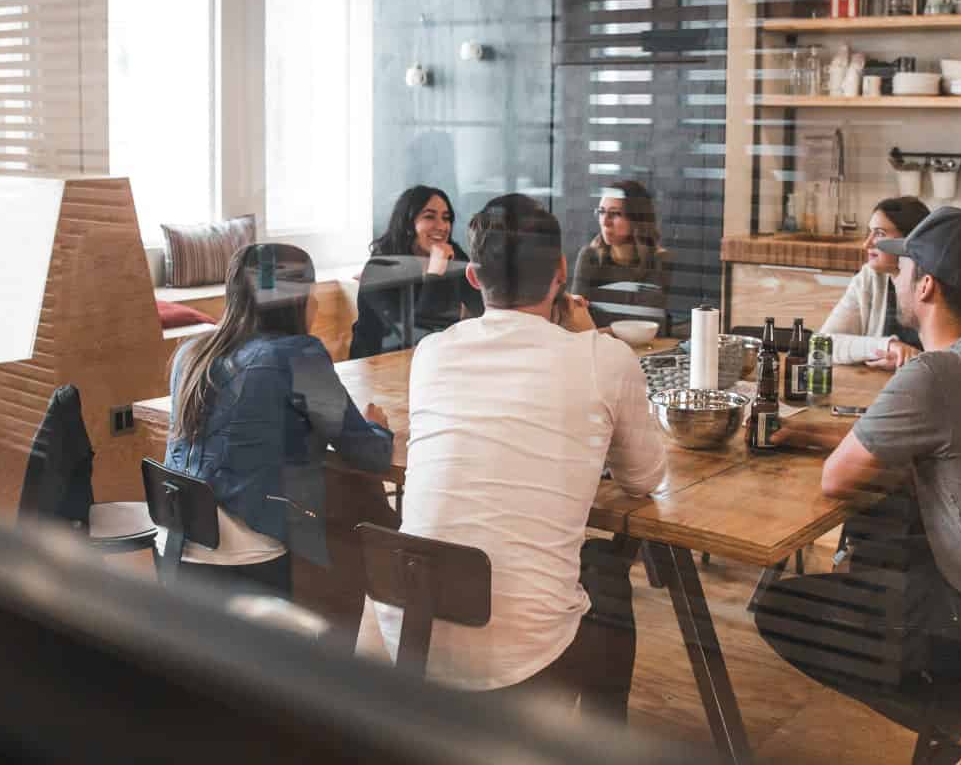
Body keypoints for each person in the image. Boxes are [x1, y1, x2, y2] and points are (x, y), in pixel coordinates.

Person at [757, 208, 961, 762]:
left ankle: (960, 718)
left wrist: (811, 441)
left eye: (907, 265)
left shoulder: (935, 375)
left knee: (781, 609)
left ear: (927, 285)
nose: (899, 275)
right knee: (889, 539)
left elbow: (837, 478)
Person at [374, 193, 666, 717]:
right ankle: (603, 744)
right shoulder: (603, 357)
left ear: (472, 276)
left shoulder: (433, 353)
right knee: (608, 578)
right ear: (560, 271)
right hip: (521, 655)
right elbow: (643, 479)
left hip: (409, 630)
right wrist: (588, 339)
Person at [163, 243, 394, 601]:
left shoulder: (189, 355)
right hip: (247, 554)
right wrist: (378, 426)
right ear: (298, 299)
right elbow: (370, 454)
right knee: (354, 517)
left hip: (178, 546)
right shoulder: (298, 356)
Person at [350, 186, 485, 358]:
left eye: (446, 218)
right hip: (378, 366)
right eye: (429, 217)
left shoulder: (452, 254)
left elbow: (483, 308)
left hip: (434, 360)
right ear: (407, 224)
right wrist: (436, 273)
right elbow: (417, 336)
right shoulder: (380, 268)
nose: (442, 226)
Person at [819, 196, 930, 367]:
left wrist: (911, 361)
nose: (866, 243)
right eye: (869, 232)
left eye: (879, 233)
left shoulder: (936, 284)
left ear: (909, 240)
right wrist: (887, 346)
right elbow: (823, 344)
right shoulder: (868, 278)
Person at [570, 180, 671, 330]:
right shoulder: (590, 257)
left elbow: (649, 327)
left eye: (615, 214)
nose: (605, 222)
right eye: (602, 212)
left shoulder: (659, 261)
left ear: (636, 219)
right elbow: (575, 321)